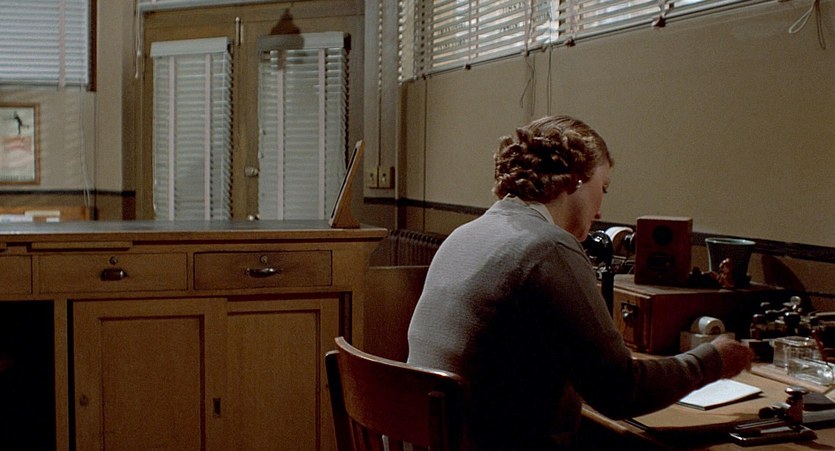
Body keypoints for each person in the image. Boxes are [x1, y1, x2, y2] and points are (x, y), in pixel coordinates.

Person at [406, 115, 754, 450]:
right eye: (602, 188)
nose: (600, 211)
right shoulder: (548, 247)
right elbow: (621, 391)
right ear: (574, 180)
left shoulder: (464, 235)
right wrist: (713, 359)